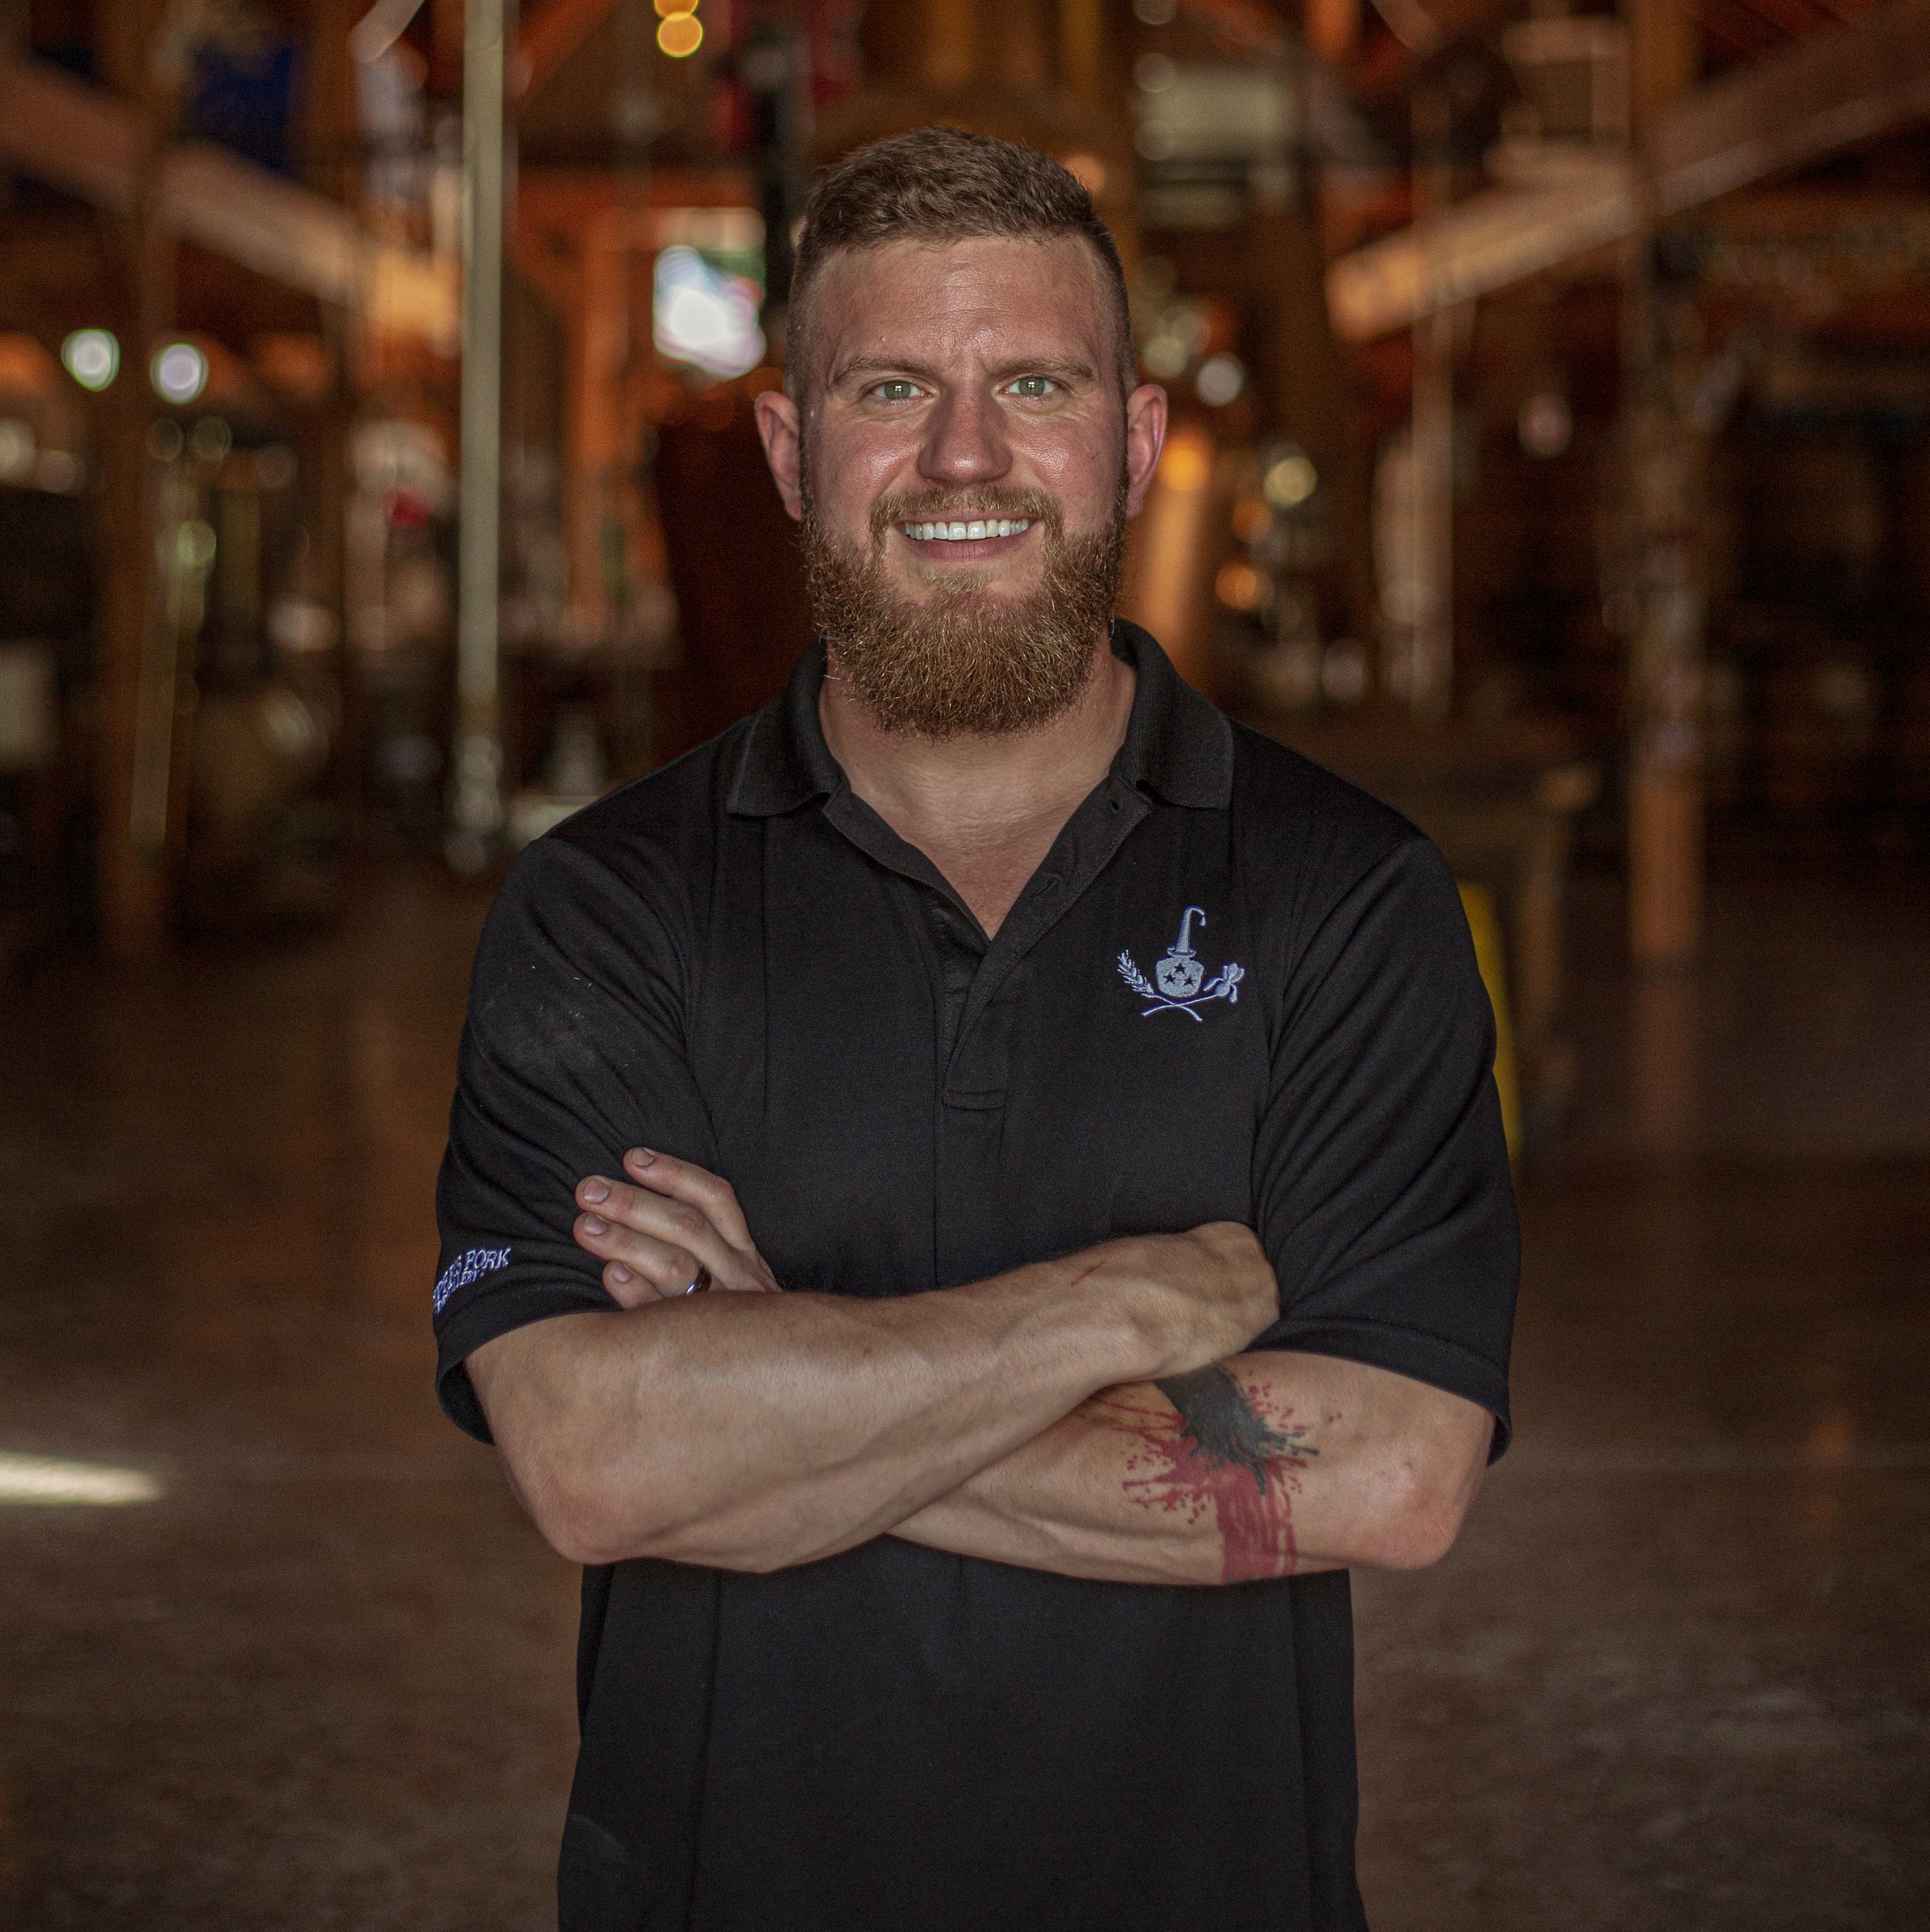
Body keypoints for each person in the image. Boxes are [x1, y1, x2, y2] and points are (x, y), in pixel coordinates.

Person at [432, 127, 1518, 1932]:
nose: (961, 457)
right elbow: (593, 1462)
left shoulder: (1342, 896)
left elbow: (1397, 1478)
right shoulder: (605, 908)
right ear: (790, 455)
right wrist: (1122, 1307)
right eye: (888, 388)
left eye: (1031, 383)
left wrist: (763, 1369)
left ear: (1133, 442)